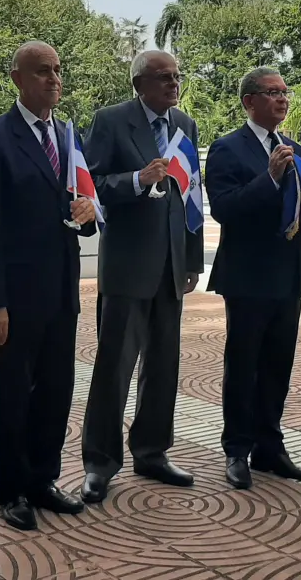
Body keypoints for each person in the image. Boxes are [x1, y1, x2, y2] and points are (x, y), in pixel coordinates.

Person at [0, 41, 97, 530]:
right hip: (16, 295)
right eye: (42, 71)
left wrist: (88, 213)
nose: (54, 79)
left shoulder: (67, 136)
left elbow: (81, 207)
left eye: (58, 70)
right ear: (17, 78)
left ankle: (44, 478)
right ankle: (11, 489)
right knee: (15, 394)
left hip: (62, 290)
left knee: (57, 390)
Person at [80, 50, 204, 502]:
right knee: (114, 368)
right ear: (140, 84)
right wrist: (137, 179)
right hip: (127, 267)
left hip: (171, 266)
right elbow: (90, 186)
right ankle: (99, 463)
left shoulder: (184, 125)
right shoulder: (111, 121)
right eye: (163, 77)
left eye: (176, 76)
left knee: (163, 366)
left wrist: (192, 260)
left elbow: (191, 196)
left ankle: (152, 452)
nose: (173, 83)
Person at [205, 67, 301, 489]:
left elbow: (299, 210)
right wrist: (271, 177)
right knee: (244, 366)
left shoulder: (294, 148)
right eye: (272, 92)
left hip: (286, 274)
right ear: (249, 101)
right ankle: (236, 450)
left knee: (278, 365)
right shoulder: (227, 148)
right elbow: (225, 208)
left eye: (284, 91)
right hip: (247, 276)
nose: (282, 99)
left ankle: (270, 448)